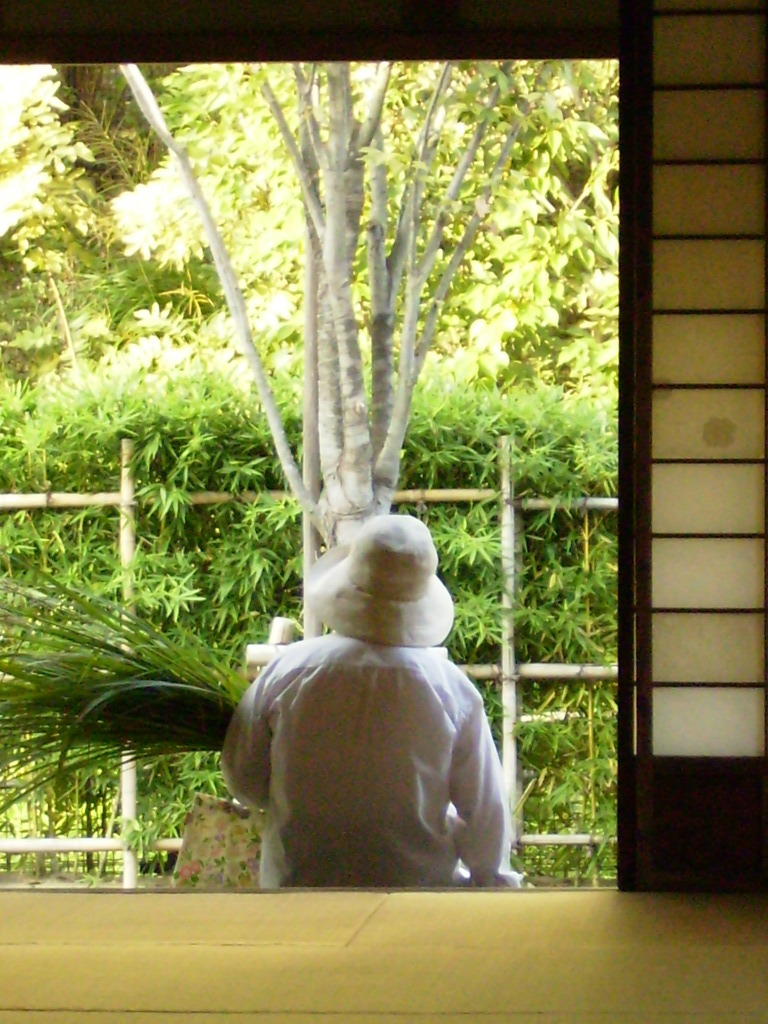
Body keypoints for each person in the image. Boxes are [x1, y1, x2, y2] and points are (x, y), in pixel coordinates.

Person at [221, 514, 522, 889]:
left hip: (297, 890)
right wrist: (491, 882)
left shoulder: (287, 671)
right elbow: (484, 812)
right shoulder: (450, 690)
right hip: (418, 894)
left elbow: (244, 780)